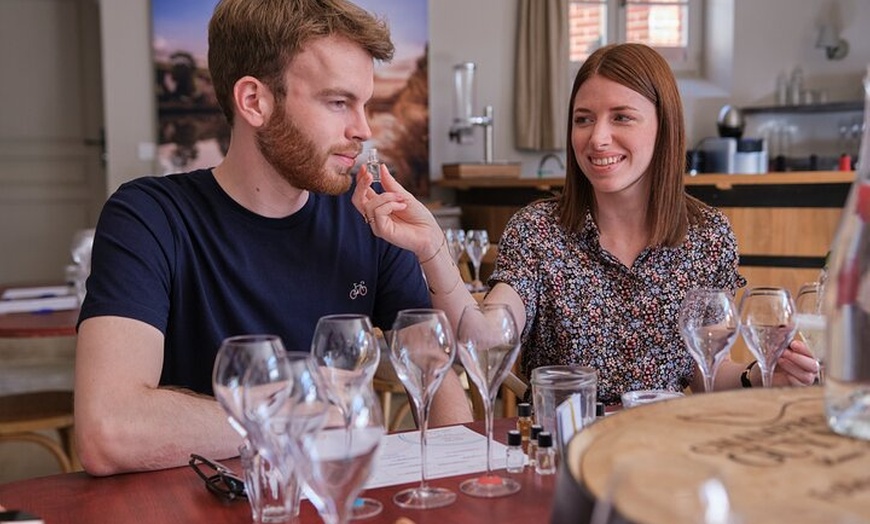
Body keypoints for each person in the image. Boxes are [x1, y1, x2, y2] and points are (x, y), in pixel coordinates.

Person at [74, 0, 471, 477]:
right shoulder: (148, 218)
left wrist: (454, 484)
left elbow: (437, 379)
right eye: (338, 102)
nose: (362, 130)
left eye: (365, 104)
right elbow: (109, 431)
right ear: (254, 101)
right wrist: (307, 414)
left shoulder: (370, 217)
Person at [353, 43, 819, 406]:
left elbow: (704, 373)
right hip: (562, 457)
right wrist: (433, 248)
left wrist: (759, 376)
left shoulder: (707, 236)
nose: (597, 138)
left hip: (662, 456)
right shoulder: (538, 231)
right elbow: (486, 340)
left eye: (622, 117)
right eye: (583, 119)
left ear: (664, 127)